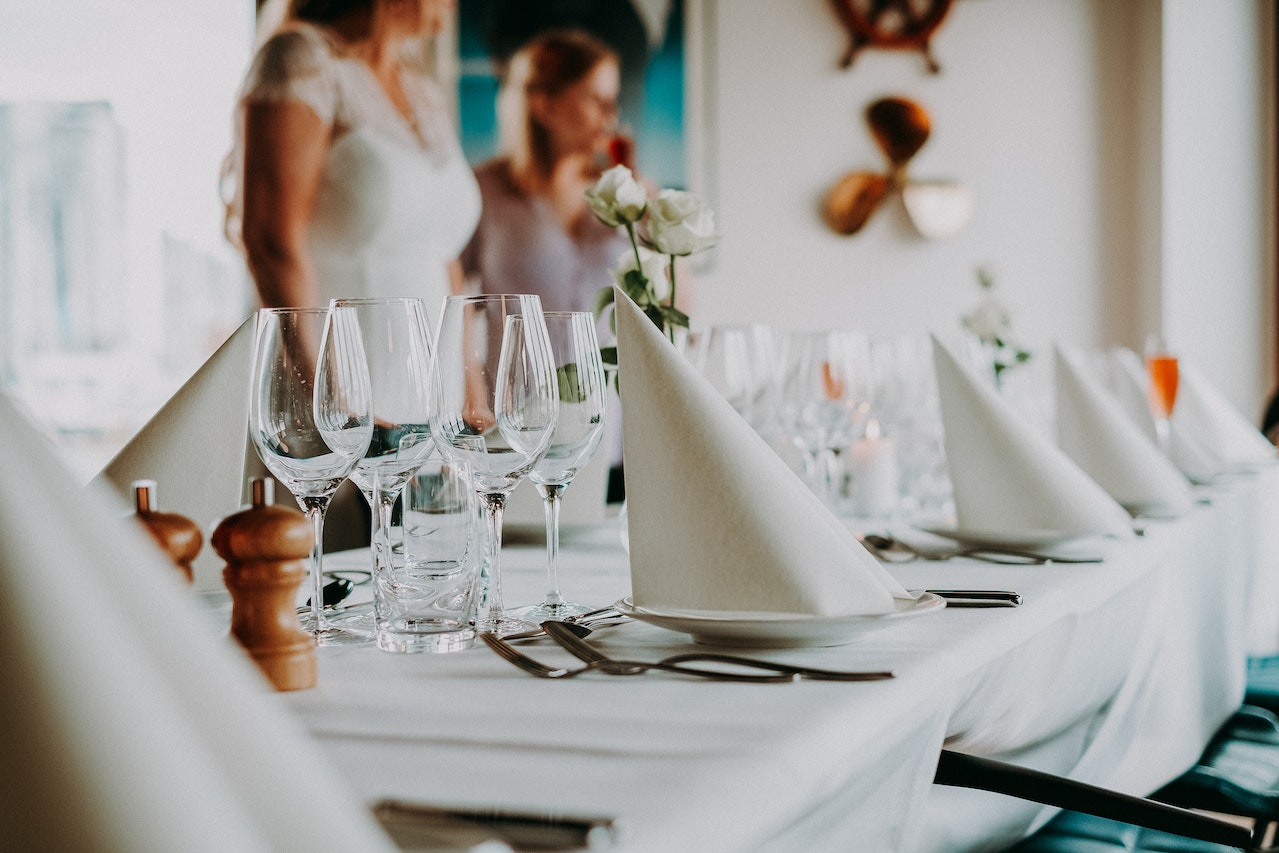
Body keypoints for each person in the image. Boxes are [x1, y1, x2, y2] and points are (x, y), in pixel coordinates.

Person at [227, 0, 480, 314]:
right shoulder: (303, 60)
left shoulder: (422, 90)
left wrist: (466, 361)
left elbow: (442, 253)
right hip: (339, 352)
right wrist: (313, 364)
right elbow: (270, 242)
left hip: (432, 359)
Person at [459, 28, 632, 316]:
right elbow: (452, 288)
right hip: (518, 362)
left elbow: (672, 304)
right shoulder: (483, 190)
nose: (611, 113)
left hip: (610, 364)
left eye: (613, 99)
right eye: (596, 99)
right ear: (546, 106)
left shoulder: (623, 191)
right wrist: (468, 362)